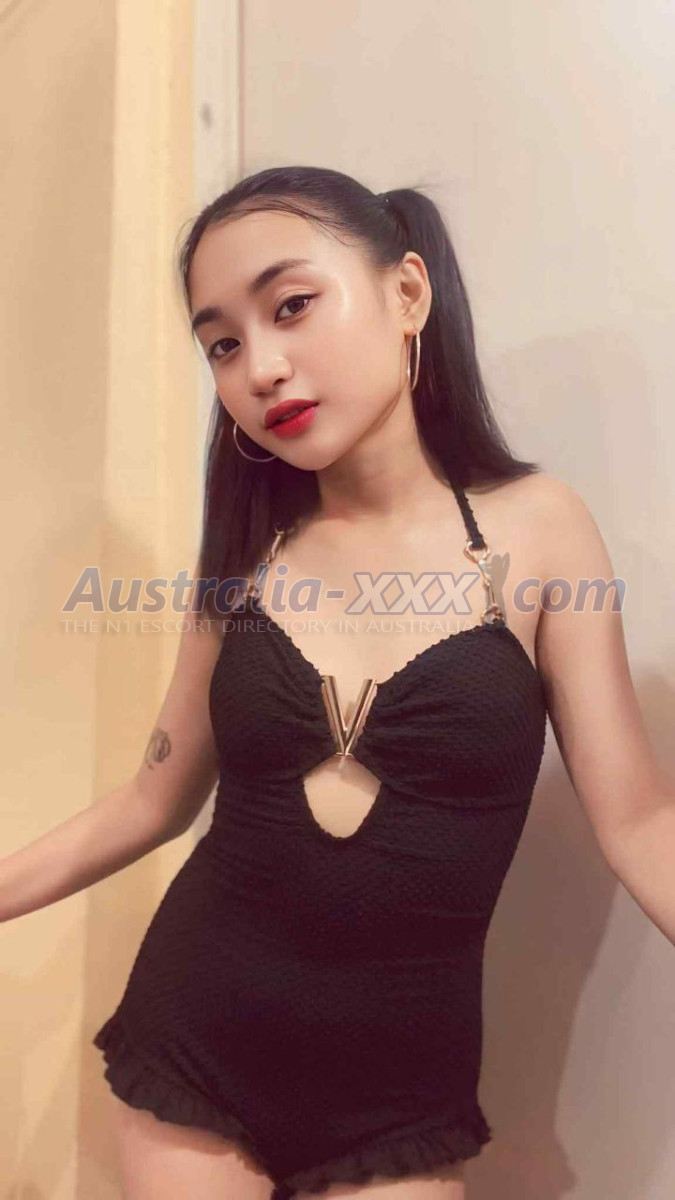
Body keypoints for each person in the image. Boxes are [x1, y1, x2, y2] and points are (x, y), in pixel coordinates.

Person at [3, 166, 672, 1200]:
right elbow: (152, 800)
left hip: (399, 1094)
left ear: (406, 294)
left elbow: (637, 820)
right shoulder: (247, 556)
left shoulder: (539, 530)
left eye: (290, 307)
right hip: (197, 1041)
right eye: (222, 344)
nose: (260, 367)